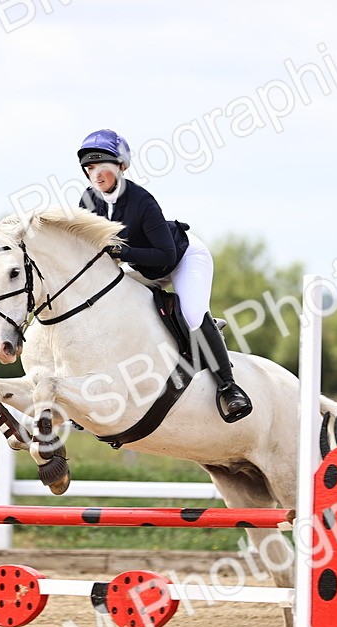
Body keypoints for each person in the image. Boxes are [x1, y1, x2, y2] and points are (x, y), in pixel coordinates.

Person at [76, 128, 253, 424]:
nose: (96, 173)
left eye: (103, 165)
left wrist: (121, 253)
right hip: (144, 268)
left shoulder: (142, 201)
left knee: (193, 313)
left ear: (121, 166)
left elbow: (166, 256)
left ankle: (228, 386)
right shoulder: (88, 202)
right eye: (90, 167)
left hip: (183, 259)